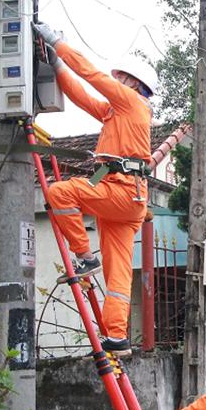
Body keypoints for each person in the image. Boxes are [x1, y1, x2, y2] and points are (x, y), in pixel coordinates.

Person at [33, 21, 158, 356]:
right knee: (118, 277)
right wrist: (57, 65)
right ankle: (117, 337)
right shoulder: (116, 112)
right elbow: (81, 95)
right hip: (125, 194)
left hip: (120, 189)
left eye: (120, 77)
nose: (115, 81)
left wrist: (56, 41)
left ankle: (84, 256)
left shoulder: (131, 102)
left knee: (60, 193)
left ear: (133, 83)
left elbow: (92, 76)